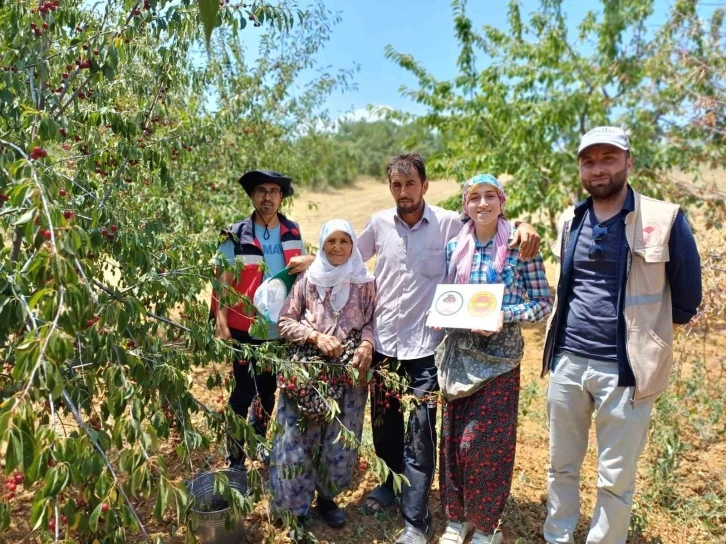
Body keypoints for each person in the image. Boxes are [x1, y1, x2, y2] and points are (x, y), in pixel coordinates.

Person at [357, 153, 542, 544]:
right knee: (386, 426)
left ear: (425, 186)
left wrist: (524, 226)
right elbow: (347, 259)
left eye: (411, 184)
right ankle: (390, 487)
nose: (403, 192)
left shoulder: (448, 226)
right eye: (396, 184)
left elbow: (491, 219)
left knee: (423, 433)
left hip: (429, 348)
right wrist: (311, 260)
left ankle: (417, 519)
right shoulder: (379, 224)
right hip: (389, 343)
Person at [541, 127, 702, 544]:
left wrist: (653, 337)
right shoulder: (569, 218)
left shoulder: (664, 219)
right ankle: (557, 536)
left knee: (615, 478)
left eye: (608, 158)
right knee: (561, 466)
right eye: (589, 161)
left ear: (629, 162)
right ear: (580, 167)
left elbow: (687, 292)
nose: (598, 169)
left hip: (626, 369)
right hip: (569, 362)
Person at [436, 174, 552, 544]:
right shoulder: (454, 246)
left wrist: (507, 313)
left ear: (502, 202)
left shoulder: (521, 246)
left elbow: (543, 303)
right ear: (465, 205)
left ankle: (486, 526)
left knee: (486, 444)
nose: (482, 204)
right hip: (458, 355)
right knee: (454, 441)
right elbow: (450, 297)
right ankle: (457, 520)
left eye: (490, 196)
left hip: (500, 359)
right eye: (474, 197)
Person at [270, 219, 376, 529]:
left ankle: (327, 499)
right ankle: (295, 508)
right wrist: (316, 337)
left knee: (339, 441)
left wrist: (367, 344)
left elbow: (371, 321)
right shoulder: (307, 280)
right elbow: (285, 322)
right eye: (331, 241)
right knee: (298, 439)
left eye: (345, 241)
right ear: (321, 245)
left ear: (354, 246)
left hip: (349, 373)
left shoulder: (365, 281)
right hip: (307, 373)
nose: (338, 247)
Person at [212, 170, 314, 471]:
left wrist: (307, 261)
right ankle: (235, 459)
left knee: (268, 389)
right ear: (252, 196)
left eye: (274, 191)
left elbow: (306, 271)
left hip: (279, 328)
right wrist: (221, 320)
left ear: (282, 197)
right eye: (261, 191)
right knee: (243, 391)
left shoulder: (292, 232)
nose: (267, 197)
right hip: (244, 326)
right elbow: (221, 280)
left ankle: (258, 441)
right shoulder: (234, 234)